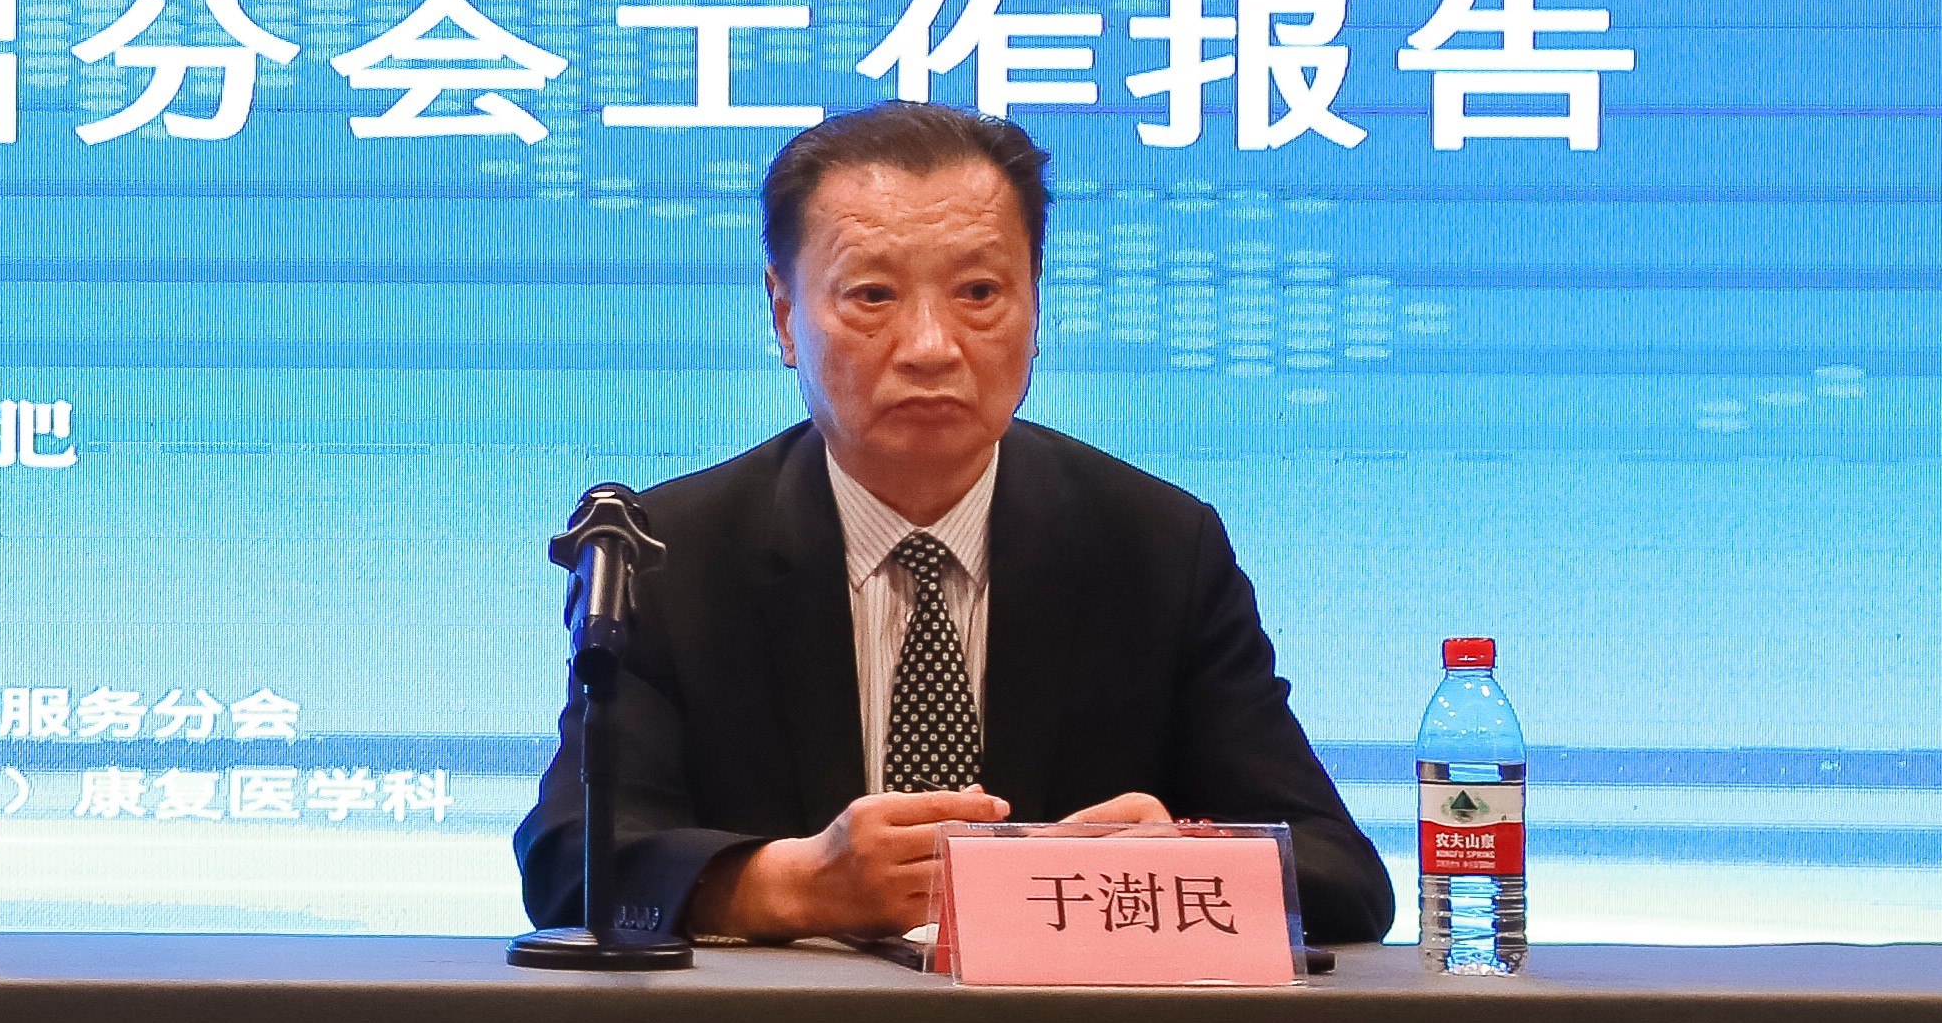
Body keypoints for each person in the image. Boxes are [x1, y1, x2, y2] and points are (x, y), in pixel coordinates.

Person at [515, 101, 1392, 949]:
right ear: (784, 315)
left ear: (1035, 306)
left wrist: (1180, 865)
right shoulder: (676, 554)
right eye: (873, 295)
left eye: (978, 291)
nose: (931, 345)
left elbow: (1343, 877)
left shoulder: (1156, 548)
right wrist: (797, 885)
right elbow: (569, 860)